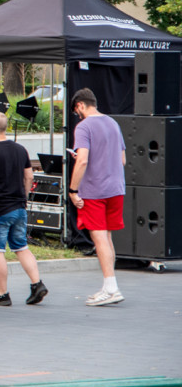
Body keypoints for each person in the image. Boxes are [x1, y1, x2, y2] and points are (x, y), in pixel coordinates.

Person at [0, 112, 48, 307]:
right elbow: (29, 177)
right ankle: (37, 283)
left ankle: (2, 294)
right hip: (19, 207)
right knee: (21, 247)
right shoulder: (20, 149)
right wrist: (23, 197)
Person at [68, 87, 126, 307]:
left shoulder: (84, 127)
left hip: (94, 190)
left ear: (80, 105)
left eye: (76, 111)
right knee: (107, 237)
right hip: (116, 188)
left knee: (99, 237)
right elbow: (122, 159)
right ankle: (109, 285)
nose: (78, 115)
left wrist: (73, 190)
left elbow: (82, 160)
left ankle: (111, 288)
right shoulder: (113, 123)